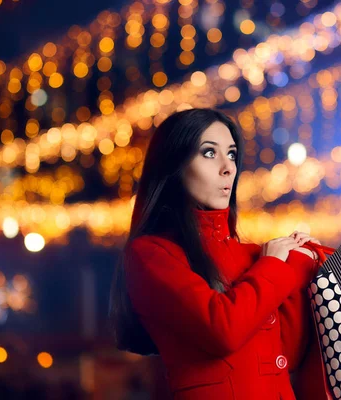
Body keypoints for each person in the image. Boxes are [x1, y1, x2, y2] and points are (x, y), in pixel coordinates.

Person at [109, 108, 323, 399]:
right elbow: (223, 330)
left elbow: (289, 355)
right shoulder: (150, 254)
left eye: (232, 154)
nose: (228, 168)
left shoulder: (252, 255)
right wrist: (275, 265)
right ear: (174, 165)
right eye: (209, 153)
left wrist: (301, 264)